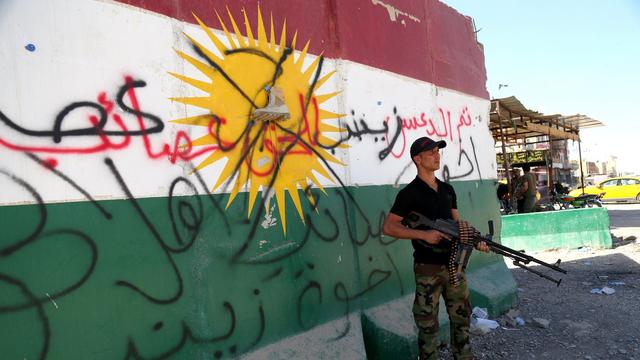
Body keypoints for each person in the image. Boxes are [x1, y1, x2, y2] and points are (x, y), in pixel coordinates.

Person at [382, 136, 489, 360]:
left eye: (438, 151)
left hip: (455, 265)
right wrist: (424, 235)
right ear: (417, 159)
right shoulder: (409, 193)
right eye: (431, 152)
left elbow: (457, 226)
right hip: (427, 268)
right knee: (427, 325)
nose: (436, 155)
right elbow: (389, 227)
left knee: (461, 320)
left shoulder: (448, 190)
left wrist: (475, 240)